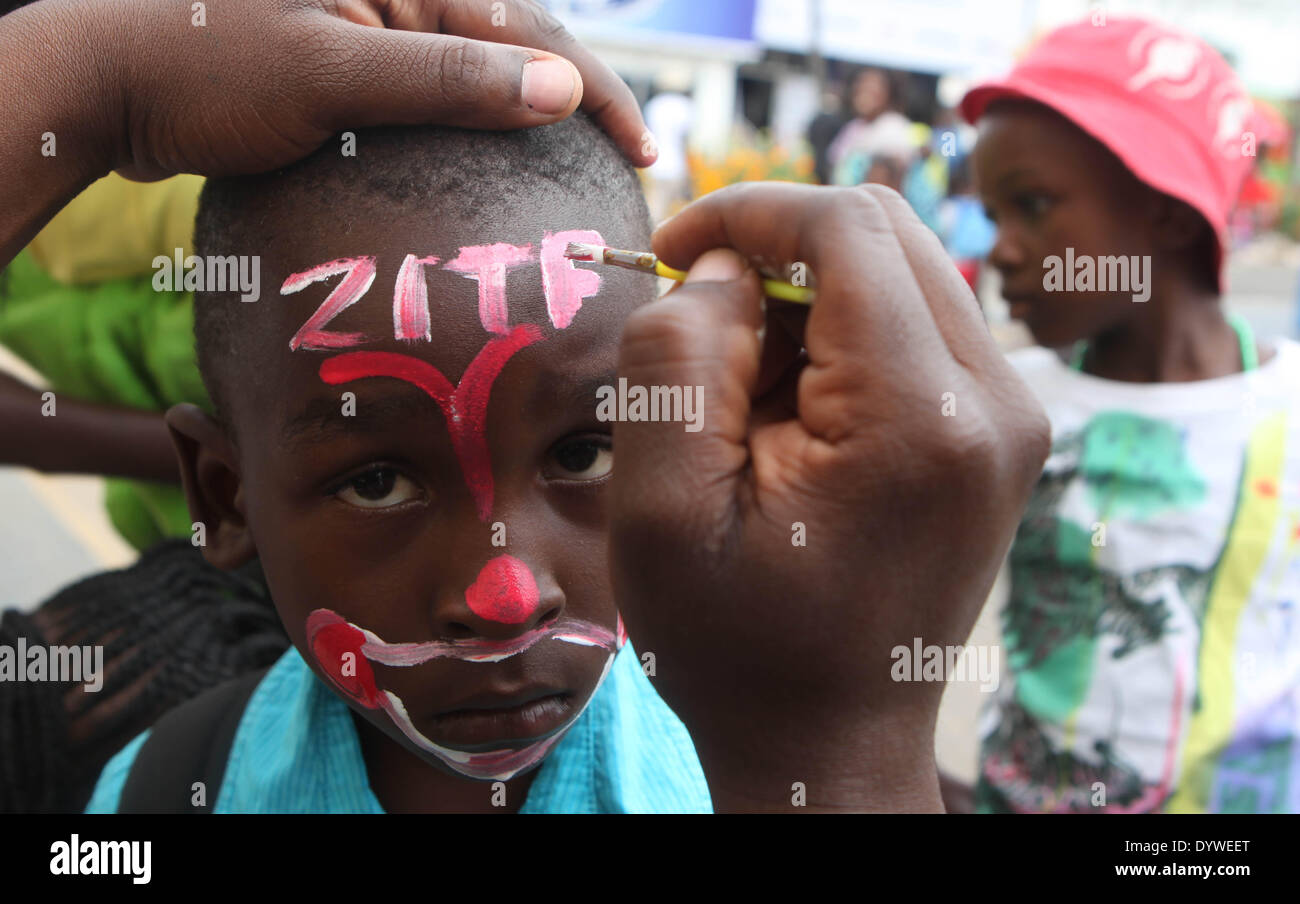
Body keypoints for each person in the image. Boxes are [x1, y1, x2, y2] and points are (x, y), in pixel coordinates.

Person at [4, 0, 1050, 812]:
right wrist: (94, 77)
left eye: (587, 451)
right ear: (223, 500)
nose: (505, 593)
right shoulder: (155, 792)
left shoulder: (759, 767)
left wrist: (841, 752)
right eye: (378, 479)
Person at [957, 17, 1300, 814]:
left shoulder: (1285, 414)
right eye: (995, 212)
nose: (1000, 249)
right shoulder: (1009, 399)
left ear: (1170, 215)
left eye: (1032, 206)